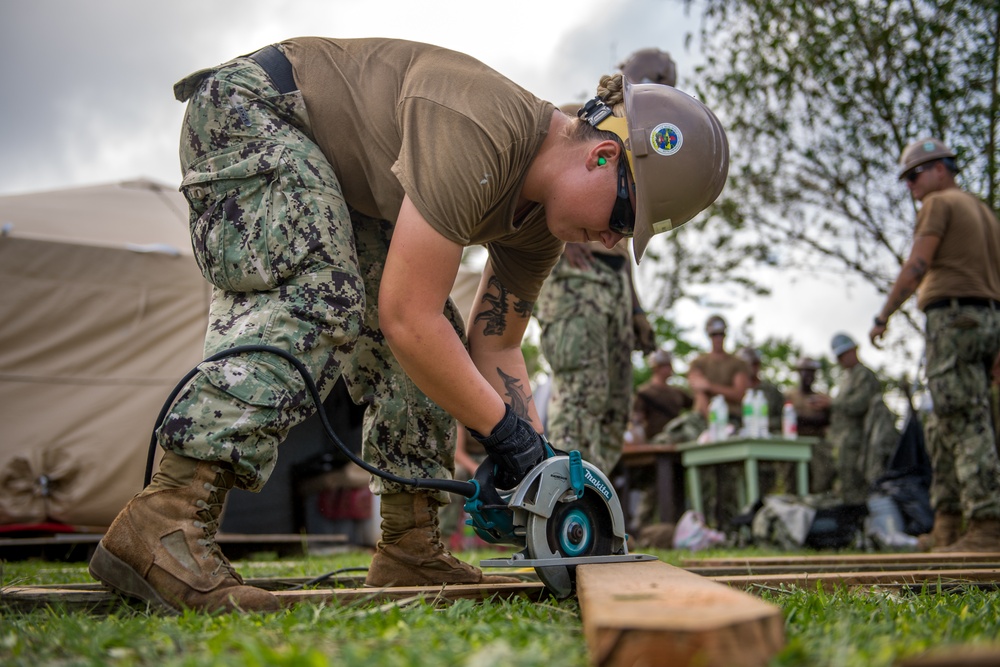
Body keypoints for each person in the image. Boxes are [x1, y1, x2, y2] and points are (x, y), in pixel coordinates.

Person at [85, 37, 729, 612]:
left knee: (434, 337)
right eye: (624, 216)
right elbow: (402, 316)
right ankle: (166, 519)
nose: (616, 241)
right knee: (321, 291)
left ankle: (410, 548)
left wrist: (536, 463)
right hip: (252, 110)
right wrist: (508, 436)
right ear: (604, 156)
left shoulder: (540, 230)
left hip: (326, 166)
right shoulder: (487, 129)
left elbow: (496, 343)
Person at [534, 48, 676, 474]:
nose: (659, 86)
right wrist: (557, 234)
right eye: (652, 77)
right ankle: (562, 503)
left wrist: (636, 310)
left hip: (613, 285)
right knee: (580, 396)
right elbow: (536, 175)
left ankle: (594, 505)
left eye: (667, 82)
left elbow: (626, 244)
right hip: (577, 282)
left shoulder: (645, 155)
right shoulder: (581, 118)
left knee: (615, 405)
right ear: (624, 75)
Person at [869, 137, 1000, 552]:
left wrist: (883, 314)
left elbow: (918, 265)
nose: (910, 186)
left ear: (942, 168)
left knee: (963, 421)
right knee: (941, 423)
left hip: (952, 321)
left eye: (914, 174)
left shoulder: (940, 204)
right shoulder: (984, 213)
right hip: (984, 320)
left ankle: (986, 525)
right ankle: (947, 525)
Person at [810, 333, 893, 505]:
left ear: (854, 350)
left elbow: (860, 404)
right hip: (842, 440)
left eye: (843, 355)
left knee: (854, 482)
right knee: (842, 480)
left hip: (857, 440)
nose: (841, 360)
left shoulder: (863, 375)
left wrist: (832, 403)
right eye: (838, 357)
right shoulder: (847, 377)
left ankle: (858, 517)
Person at [686, 314, 751, 528]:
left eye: (720, 334)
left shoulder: (737, 363)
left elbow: (739, 393)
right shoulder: (699, 362)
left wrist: (711, 387)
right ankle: (701, 526)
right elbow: (698, 389)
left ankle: (731, 525)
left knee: (730, 476)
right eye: (713, 334)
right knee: (703, 475)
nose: (717, 338)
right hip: (705, 426)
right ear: (708, 335)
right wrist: (714, 423)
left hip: (732, 424)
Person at [785, 356, 834, 493]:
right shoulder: (790, 395)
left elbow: (827, 420)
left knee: (822, 478)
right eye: (804, 371)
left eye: (811, 372)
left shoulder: (821, 398)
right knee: (793, 482)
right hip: (795, 443)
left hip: (817, 443)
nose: (808, 376)